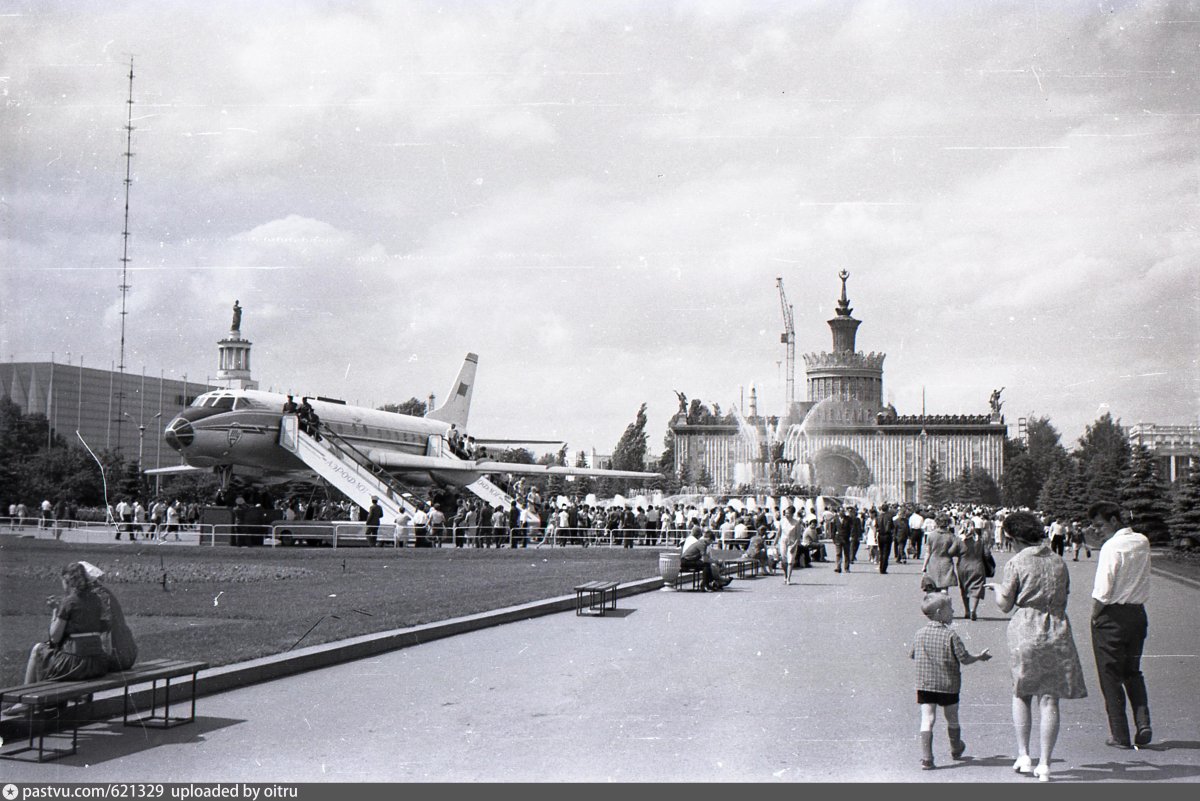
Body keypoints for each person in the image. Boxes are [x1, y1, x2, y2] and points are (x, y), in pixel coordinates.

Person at [989, 511, 1088, 782]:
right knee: (1050, 698)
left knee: (1022, 692)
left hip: (1026, 628)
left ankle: (1023, 754)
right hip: (1057, 628)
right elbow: (1064, 595)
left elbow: (1005, 605)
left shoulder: (1016, 562)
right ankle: (1045, 763)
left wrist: (997, 589)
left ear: (1013, 538)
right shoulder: (1058, 561)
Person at [1088, 500, 1152, 750]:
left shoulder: (1111, 547)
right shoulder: (1142, 541)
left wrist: (1094, 616)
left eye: (1100, 524)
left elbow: (1103, 590)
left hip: (1111, 616)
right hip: (1137, 614)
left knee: (1110, 676)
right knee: (1133, 671)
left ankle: (1120, 734)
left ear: (1114, 520)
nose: (1097, 530)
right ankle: (1143, 721)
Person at [911, 592, 992, 769]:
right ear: (940, 612)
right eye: (950, 609)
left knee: (927, 719)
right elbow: (964, 658)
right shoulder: (951, 635)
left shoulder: (919, 634)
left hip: (925, 684)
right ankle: (956, 747)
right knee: (952, 718)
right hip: (948, 685)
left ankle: (927, 758)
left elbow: (912, 654)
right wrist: (979, 657)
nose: (953, 611)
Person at [12, 562, 110, 706]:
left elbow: (54, 637)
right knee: (52, 653)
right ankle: (61, 700)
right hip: (97, 663)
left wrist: (55, 611)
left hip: (75, 664)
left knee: (38, 650)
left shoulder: (69, 602)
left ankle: (26, 701)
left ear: (67, 581)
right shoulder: (96, 599)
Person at [78, 561, 137, 671]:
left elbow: (105, 632)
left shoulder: (96, 597)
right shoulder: (104, 593)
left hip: (115, 657)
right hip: (127, 652)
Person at [922, 515, 965, 613]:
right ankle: (944, 607)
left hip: (933, 561)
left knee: (933, 588)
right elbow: (953, 551)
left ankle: (933, 608)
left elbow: (928, 552)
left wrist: (924, 566)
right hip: (946, 561)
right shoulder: (951, 536)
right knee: (944, 588)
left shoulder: (931, 535)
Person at [956, 522, 991, 621]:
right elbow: (987, 554)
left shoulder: (959, 540)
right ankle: (973, 610)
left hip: (963, 566)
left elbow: (953, 551)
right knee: (977, 588)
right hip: (977, 566)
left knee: (964, 588)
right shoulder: (980, 540)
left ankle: (966, 610)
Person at [679, 525, 730, 592]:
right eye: (711, 542)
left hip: (689, 560)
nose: (710, 544)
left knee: (707, 564)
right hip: (686, 561)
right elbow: (705, 559)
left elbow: (705, 557)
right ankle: (705, 585)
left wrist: (714, 561)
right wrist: (716, 562)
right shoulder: (702, 544)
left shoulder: (702, 543)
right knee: (706, 565)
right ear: (708, 539)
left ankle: (707, 584)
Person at [778, 507, 801, 585]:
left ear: (792, 514)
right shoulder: (782, 521)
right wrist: (774, 544)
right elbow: (779, 533)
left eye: (788, 513)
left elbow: (798, 536)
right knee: (783, 561)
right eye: (785, 513)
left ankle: (788, 578)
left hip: (792, 542)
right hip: (783, 541)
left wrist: (794, 545)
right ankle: (785, 574)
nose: (786, 515)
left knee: (790, 561)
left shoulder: (796, 523)